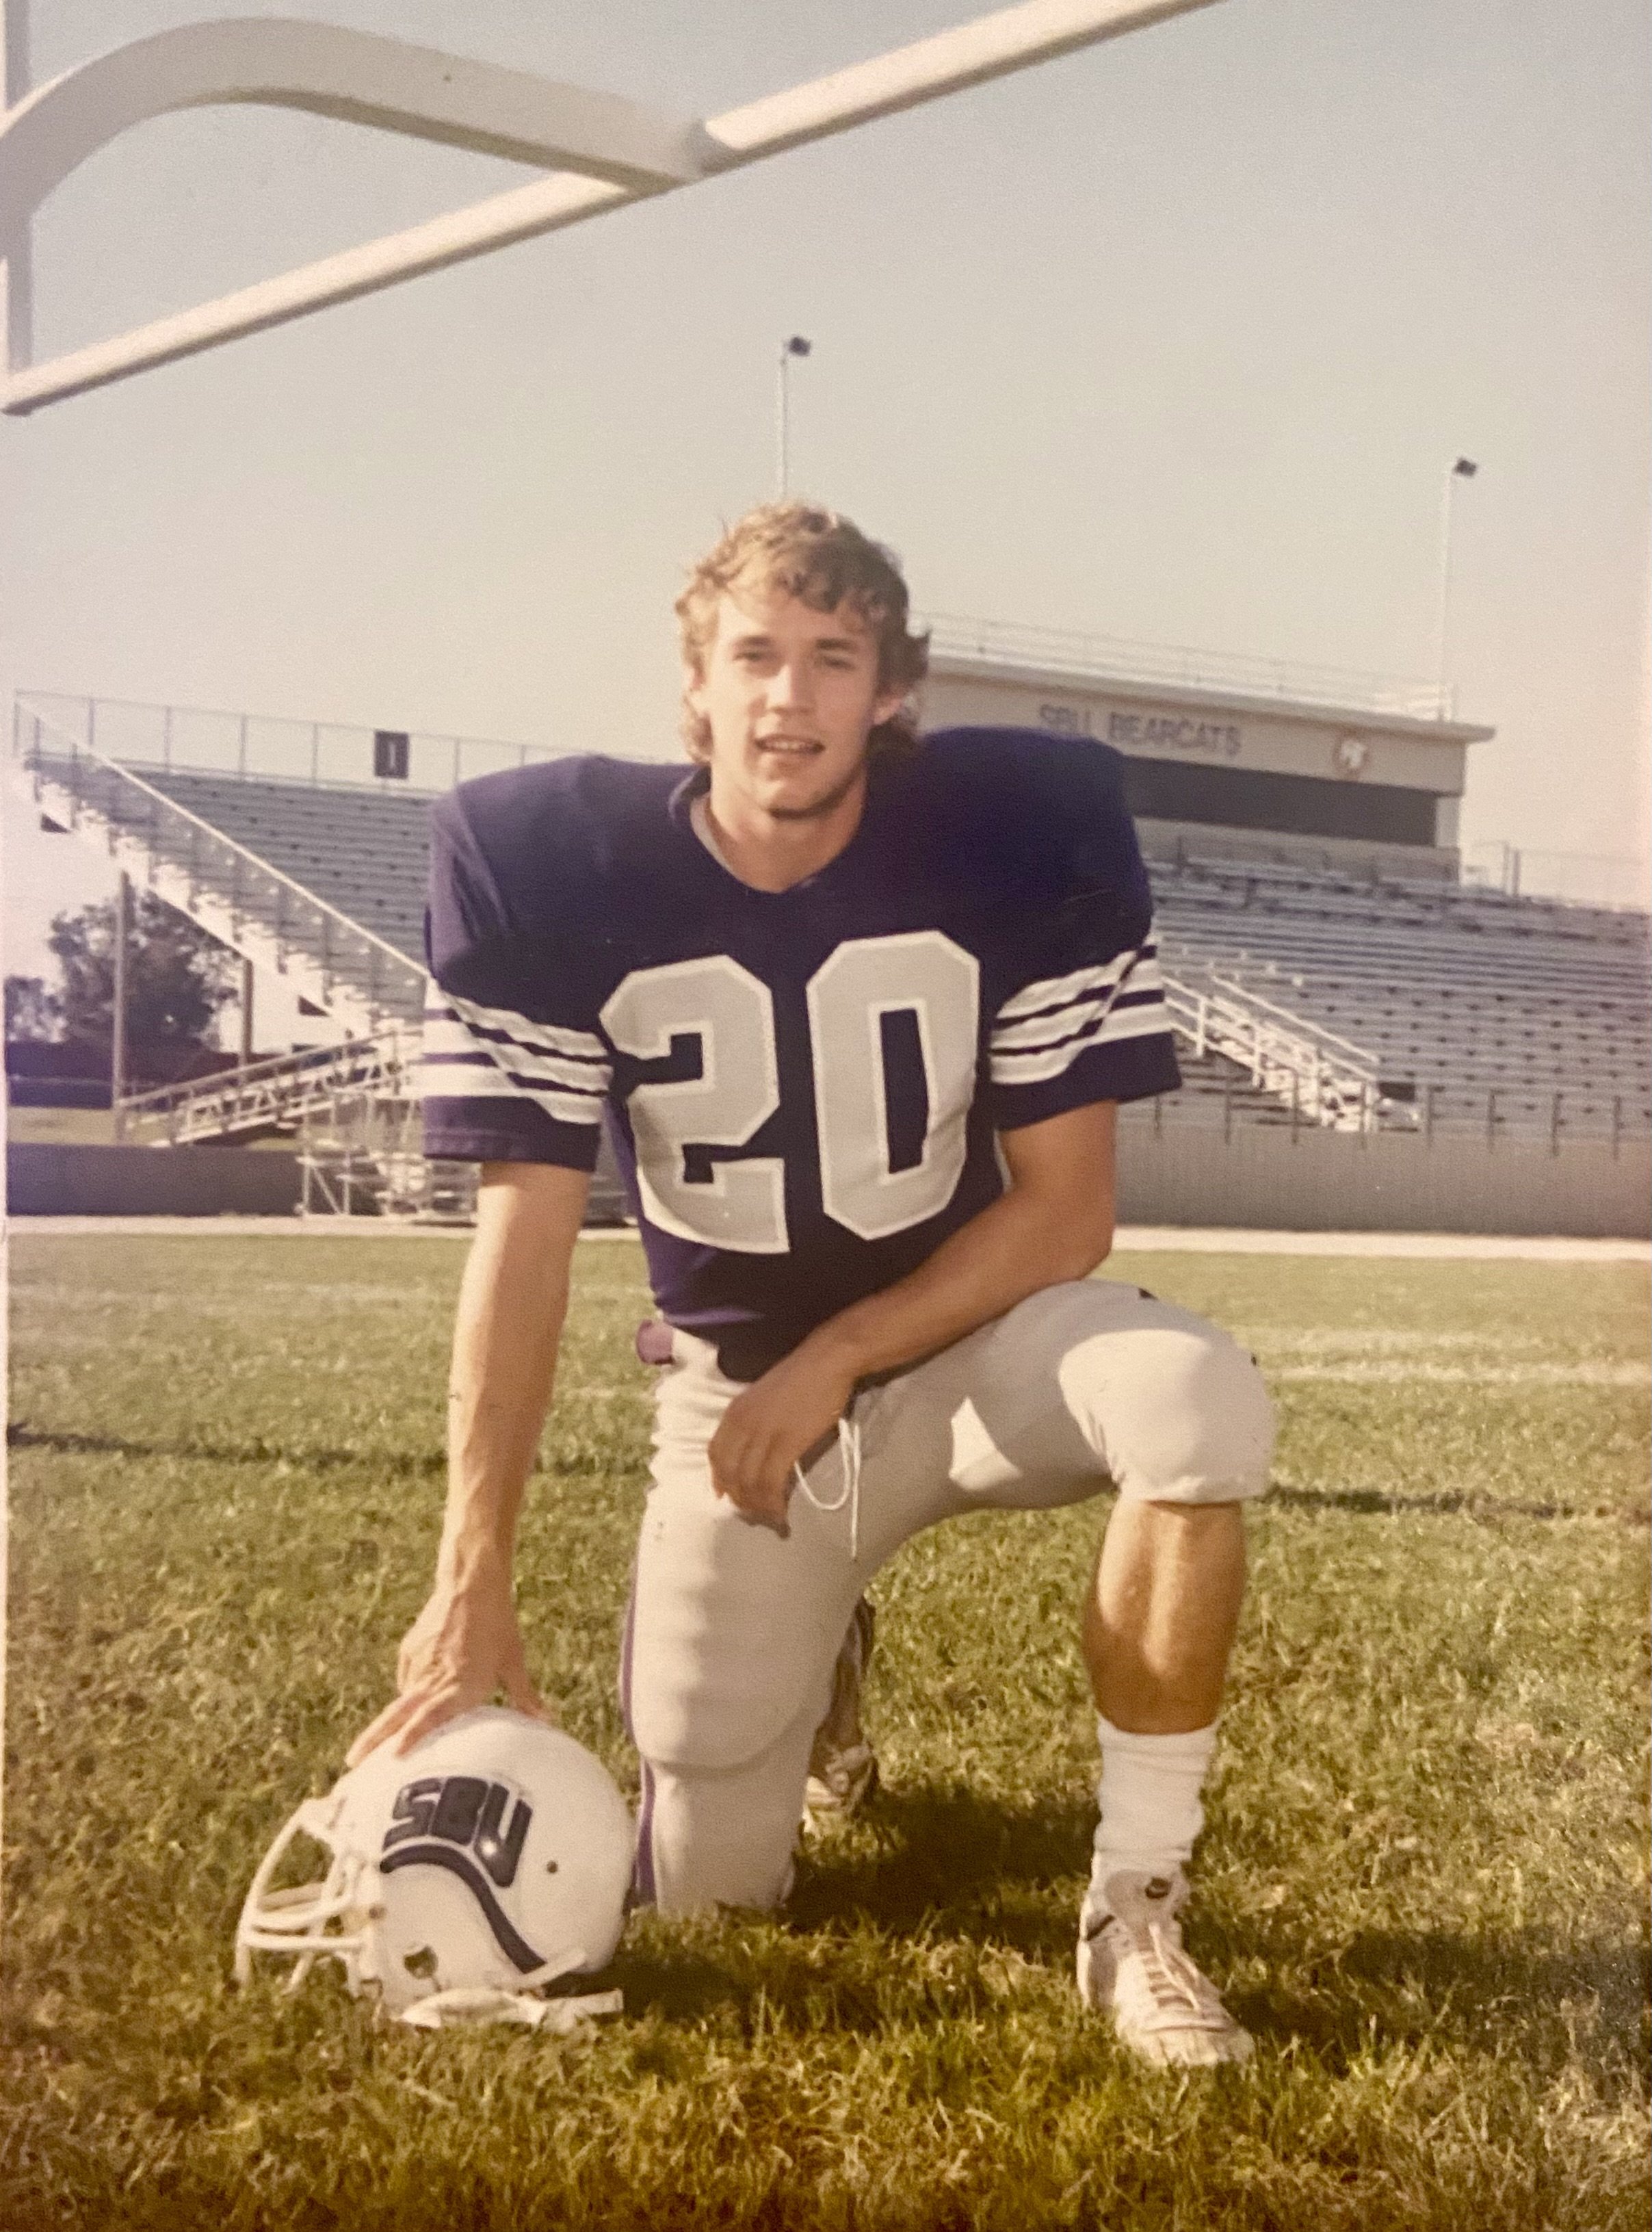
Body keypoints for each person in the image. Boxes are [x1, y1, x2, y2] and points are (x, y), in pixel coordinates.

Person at [348, 502, 1276, 2067]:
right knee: (712, 1891)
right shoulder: (544, 864)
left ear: (890, 692)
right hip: (738, 1398)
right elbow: (519, 1243)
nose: (789, 697)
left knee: (1193, 1395)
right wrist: (470, 1569)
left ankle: (1135, 1906)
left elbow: (1067, 1213)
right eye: (755, 656)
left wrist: (838, 1352)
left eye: (831, 659)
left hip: (973, 1343)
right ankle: (816, 1658)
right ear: (695, 686)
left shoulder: (1006, 827)